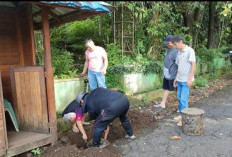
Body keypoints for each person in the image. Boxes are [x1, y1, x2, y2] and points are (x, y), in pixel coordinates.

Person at [172, 35, 196, 126]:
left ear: (181, 42)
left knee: (183, 100)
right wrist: (176, 78)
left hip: (186, 80)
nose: (175, 46)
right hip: (180, 79)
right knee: (179, 98)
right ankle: (181, 115)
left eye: (176, 44)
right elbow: (179, 67)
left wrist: (190, 79)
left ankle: (184, 119)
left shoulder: (190, 51)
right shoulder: (178, 53)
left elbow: (193, 65)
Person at [154, 35, 178, 109]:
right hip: (166, 73)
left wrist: (177, 77)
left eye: (169, 43)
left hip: (173, 75)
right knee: (166, 88)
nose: (167, 45)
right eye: (166, 43)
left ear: (173, 42)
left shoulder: (176, 51)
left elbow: (179, 64)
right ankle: (162, 104)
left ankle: (182, 107)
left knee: (179, 90)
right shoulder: (167, 50)